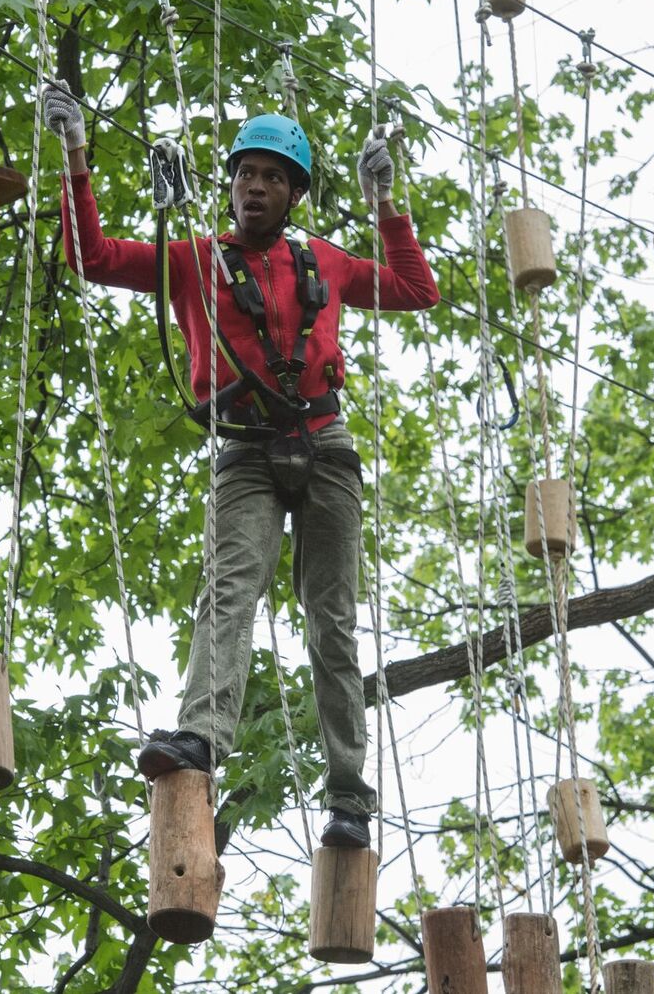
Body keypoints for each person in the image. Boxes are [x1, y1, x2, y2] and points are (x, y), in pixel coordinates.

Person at [41, 83, 439, 848]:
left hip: (324, 444)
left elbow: (417, 290)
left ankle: (350, 799)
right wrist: (75, 157)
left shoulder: (320, 260)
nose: (254, 187)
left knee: (333, 627)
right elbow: (91, 257)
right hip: (247, 451)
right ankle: (202, 737)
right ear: (230, 186)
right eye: (244, 175)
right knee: (228, 596)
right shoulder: (196, 261)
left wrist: (385, 201)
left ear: (293, 194)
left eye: (271, 177)